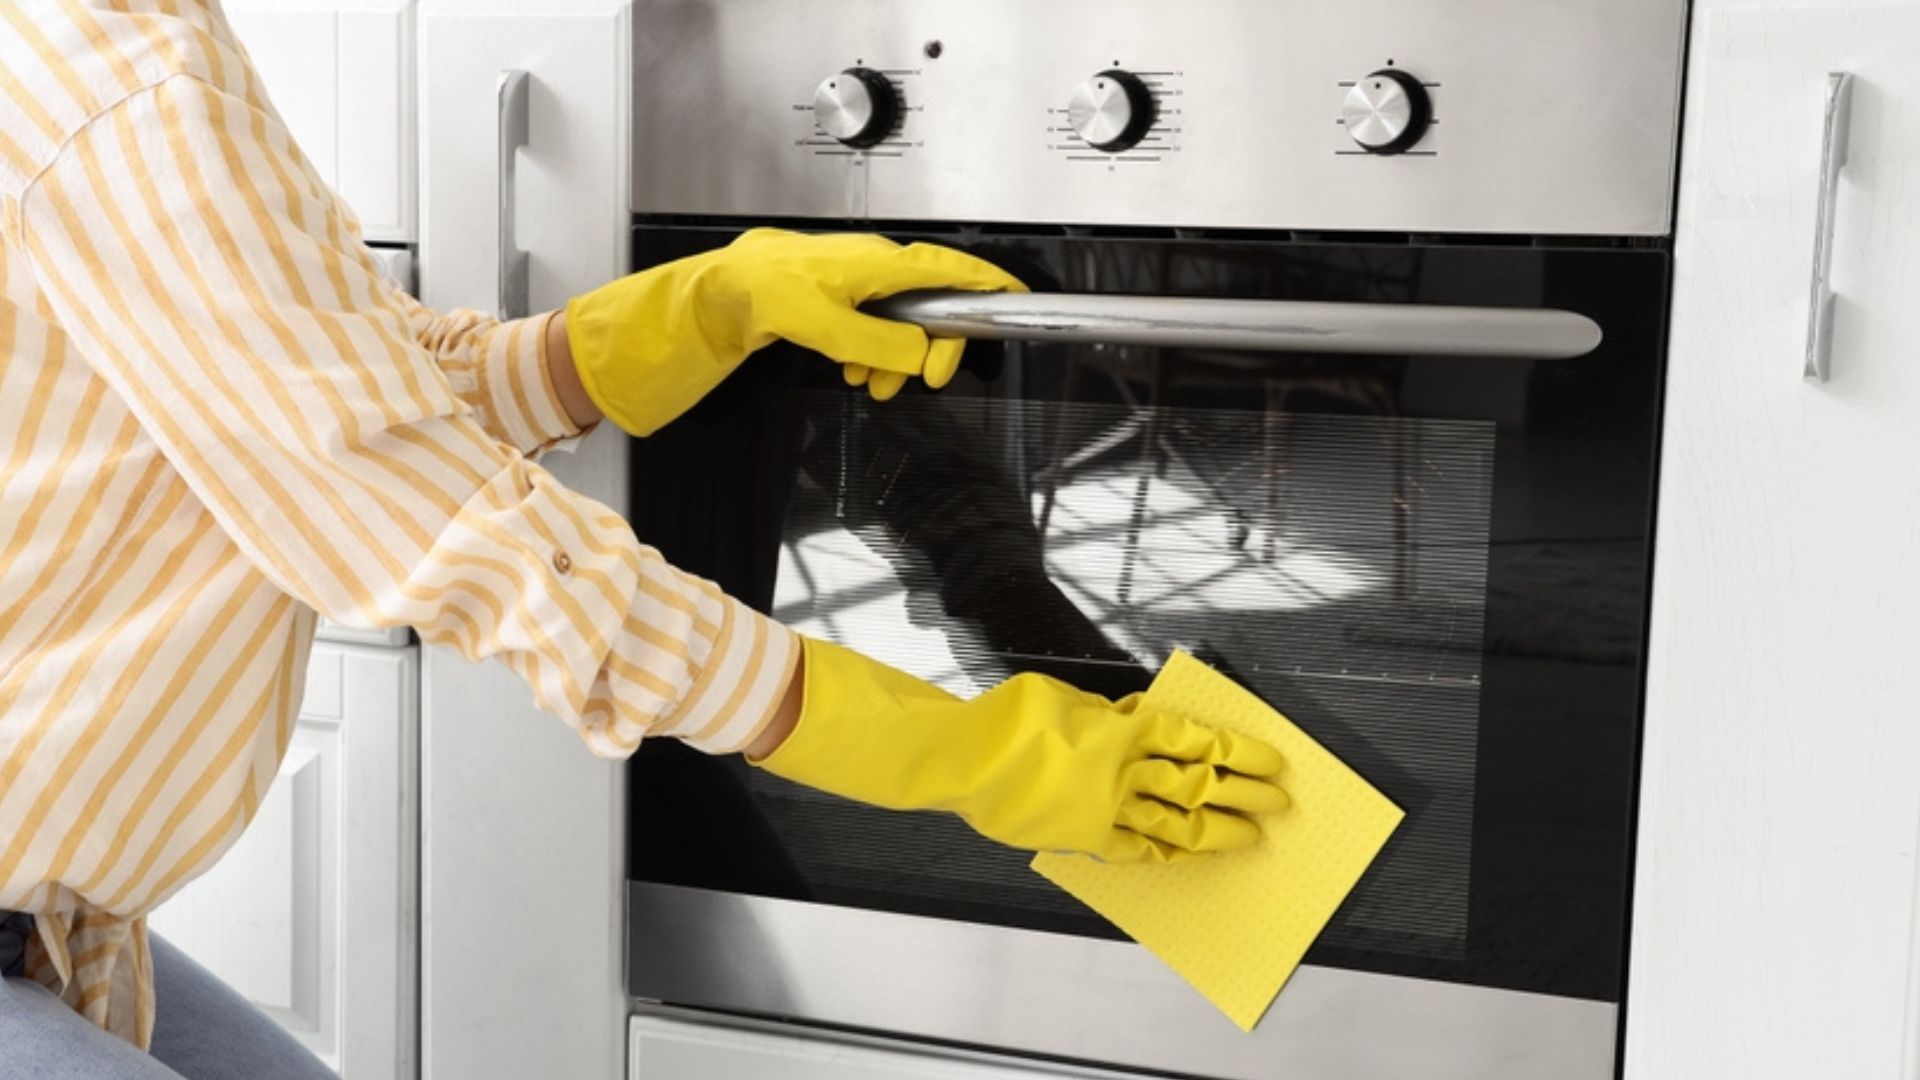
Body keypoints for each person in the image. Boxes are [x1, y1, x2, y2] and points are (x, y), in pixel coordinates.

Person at [0, 3, 1291, 1076]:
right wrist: (965, 756)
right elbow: (413, 500)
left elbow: (349, 378)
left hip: (50, 924)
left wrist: (705, 307)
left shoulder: (119, 52)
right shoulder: (121, 77)